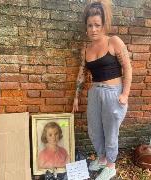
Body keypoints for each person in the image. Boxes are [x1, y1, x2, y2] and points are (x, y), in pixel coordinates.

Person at [72, 0, 132, 179]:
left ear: (104, 24)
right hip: (95, 92)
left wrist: (125, 94)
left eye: (97, 25)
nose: (93, 29)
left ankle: (111, 165)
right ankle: (102, 158)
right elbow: (82, 72)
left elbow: (128, 68)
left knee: (110, 132)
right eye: (90, 25)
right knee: (94, 129)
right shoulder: (86, 49)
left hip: (113, 94)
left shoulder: (114, 41)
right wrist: (76, 97)